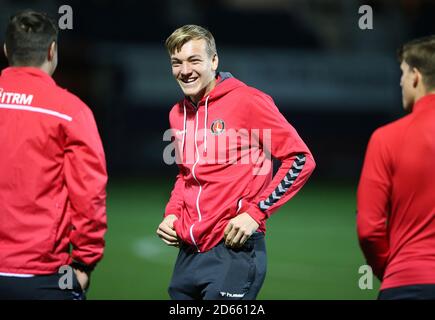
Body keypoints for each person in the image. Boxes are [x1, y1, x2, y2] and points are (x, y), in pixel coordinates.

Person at [157, 24, 316, 300]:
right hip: (188, 253)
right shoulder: (177, 113)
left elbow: (300, 159)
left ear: (214, 61)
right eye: (177, 63)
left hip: (234, 251)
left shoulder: (248, 101)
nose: (185, 70)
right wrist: (172, 212)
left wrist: (256, 213)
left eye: (194, 60)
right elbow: (186, 175)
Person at [0, 10, 107, 300]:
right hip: (41, 274)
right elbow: (89, 193)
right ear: (52, 50)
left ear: (7, 49)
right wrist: (85, 261)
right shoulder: (70, 111)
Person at [357, 35, 435, 300]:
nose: (400, 82)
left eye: (402, 73)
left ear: (415, 76)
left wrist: (391, 271)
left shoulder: (386, 138)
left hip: (408, 281)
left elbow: (369, 229)